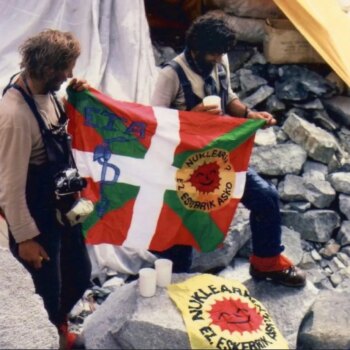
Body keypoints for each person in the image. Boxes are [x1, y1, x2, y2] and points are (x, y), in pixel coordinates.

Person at [151, 13, 306, 287]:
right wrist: (193, 114)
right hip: (185, 164)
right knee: (183, 233)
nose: (216, 60)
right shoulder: (170, 75)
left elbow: (229, 96)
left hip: (220, 156)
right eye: (211, 55)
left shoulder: (220, 60)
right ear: (195, 47)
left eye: (220, 55)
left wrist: (249, 113)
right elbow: (156, 125)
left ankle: (266, 262)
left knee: (266, 197)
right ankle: (174, 286)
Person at [0, 29, 92, 347]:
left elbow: (53, 125)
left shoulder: (46, 91)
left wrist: (74, 98)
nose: (70, 75)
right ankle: (52, 335)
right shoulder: (13, 116)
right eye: (67, 69)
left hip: (63, 208)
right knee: (46, 293)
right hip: (37, 218)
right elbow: (9, 187)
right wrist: (25, 238)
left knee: (80, 275)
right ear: (48, 69)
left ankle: (58, 323)